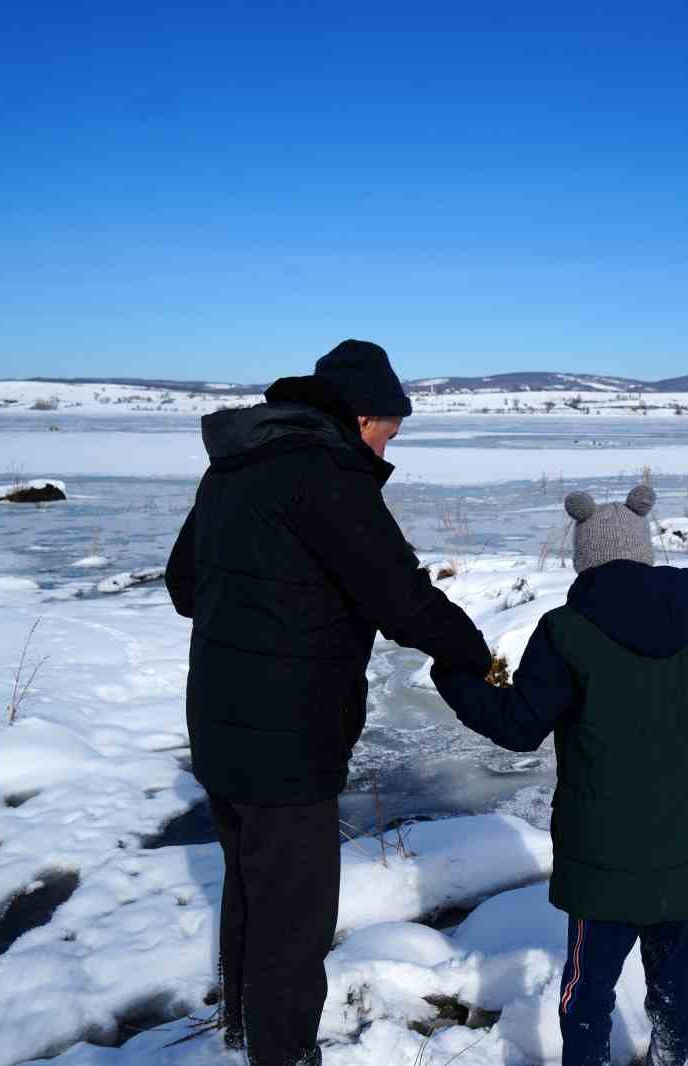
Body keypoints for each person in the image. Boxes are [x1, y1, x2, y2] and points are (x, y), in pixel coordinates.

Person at [165, 339, 491, 1066]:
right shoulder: (329, 478)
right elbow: (400, 596)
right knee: (295, 919)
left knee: (252, 886)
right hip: (289, 739)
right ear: (360, 416)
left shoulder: (234, 468)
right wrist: (470, 651)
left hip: (218, 727)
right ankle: (281, 1055)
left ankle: (244, 1031)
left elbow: (185, 587)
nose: (387, 448)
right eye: (387, 432)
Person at [432, 485, 688, 1066]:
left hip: (603, 863)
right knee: (674, 988)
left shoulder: (565, 631)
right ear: (645, 549)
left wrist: (454, 678)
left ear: (583, 559)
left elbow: (518, 727)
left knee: (587, 996)